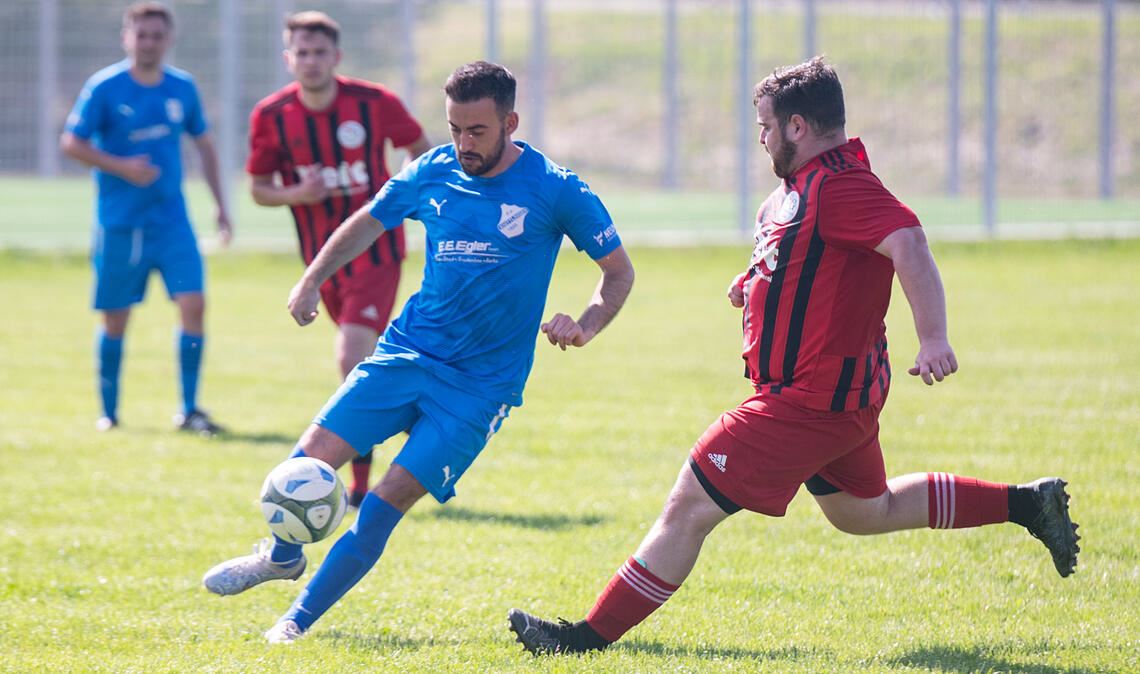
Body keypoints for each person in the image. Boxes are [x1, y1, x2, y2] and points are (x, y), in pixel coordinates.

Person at [506, 57, 1081, 656]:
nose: (761, 138)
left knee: (690, 503)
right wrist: (752, 281)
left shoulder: (841, 186)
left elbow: (908, 241)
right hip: (834, 398)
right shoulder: (798, 191)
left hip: (808, 401)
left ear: (798, 126)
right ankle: (1027, 502)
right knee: (864, 511)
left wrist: (933, 337)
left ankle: (583, 639)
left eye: (765, 126)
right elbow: (802, 258)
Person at [202, 61, 636, 645]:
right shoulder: (431, 171)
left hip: (479, 389)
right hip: (406, 354)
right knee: (303, 465)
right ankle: (282, 556)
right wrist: (310, 279)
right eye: (454, 128)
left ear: (510, 122)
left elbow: (618, 273)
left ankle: (293, 623)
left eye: (476, 131)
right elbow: (367, 223)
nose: (462, 144)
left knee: (382, 504)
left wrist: (584, 323)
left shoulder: (556, 188)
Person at [247, 11, 431, 507]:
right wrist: (294, 192)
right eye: (301, 53)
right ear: (289, 59)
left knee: (352, 357)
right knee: (364, 364)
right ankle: (413, 414)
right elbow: (260, 190)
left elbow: (420, 148)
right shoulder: (272, 115)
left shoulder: (373, 103)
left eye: (318, 52)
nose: (310, 61)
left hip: (377, 253)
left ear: (336, 57)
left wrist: (403, 196)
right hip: (321, 262)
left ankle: (358, 485)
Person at [60, 2, 231, 436]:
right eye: (141, 34)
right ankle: (110, 413)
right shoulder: (105, 87)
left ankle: (189, 409)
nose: (149, 42)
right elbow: (72, 143)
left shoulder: (182, 88)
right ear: (126, 37)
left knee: (194, 303)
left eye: (157, 35)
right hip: (121, 222)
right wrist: (121, 166)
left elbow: (204, 143)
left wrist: (220, 204)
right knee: (116, 317)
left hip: (172, 220)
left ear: (169, 39)